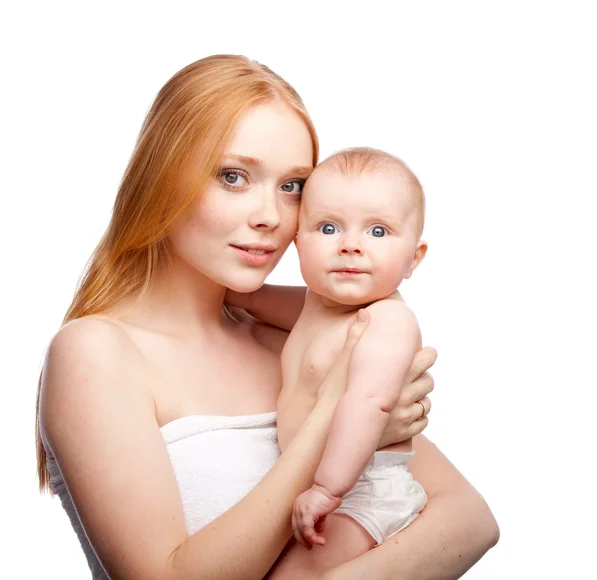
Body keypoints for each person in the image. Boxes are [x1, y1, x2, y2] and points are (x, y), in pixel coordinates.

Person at [36, 55, 499, 580]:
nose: (272, 216)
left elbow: (471, 519)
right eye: (233, 176)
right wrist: (331, 415)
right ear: (161, 177)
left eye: (292, 185)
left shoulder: (293, 335)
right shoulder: (95, 352)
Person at [256, 147, 430, 579]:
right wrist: (231, 292)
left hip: (360, 493)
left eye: (378, 231)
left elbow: (370, 404)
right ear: (298, 242)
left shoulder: (387, 320)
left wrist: (327, 488)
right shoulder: (318, 303)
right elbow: (258, 301)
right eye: (329, 227)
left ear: (415, 257)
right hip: (327, 486)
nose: (351, 246)